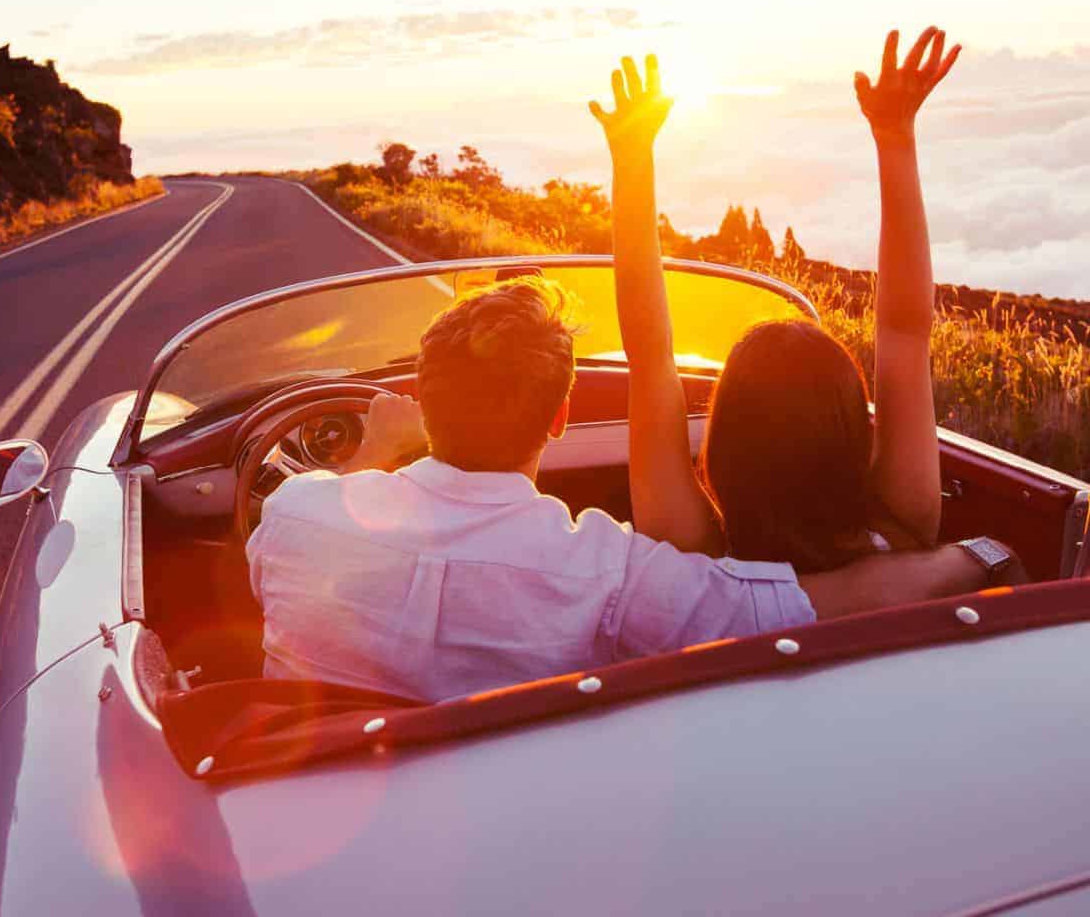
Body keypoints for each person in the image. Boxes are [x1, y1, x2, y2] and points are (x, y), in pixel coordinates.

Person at [248, 274, 1002, 704]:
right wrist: (969, 556)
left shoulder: (289, 518)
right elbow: (788, 606)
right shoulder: (605, 573)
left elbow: (327, 512)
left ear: (422, 396)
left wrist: (377, 450)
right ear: (561, 416)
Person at [590, 34, 1025, 583]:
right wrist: (896, 139)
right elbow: (904, 334)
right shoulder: (904, 527)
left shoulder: (697, 560)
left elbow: (650, 354)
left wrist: (631, 160)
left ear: (724, 451)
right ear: (853, 439)